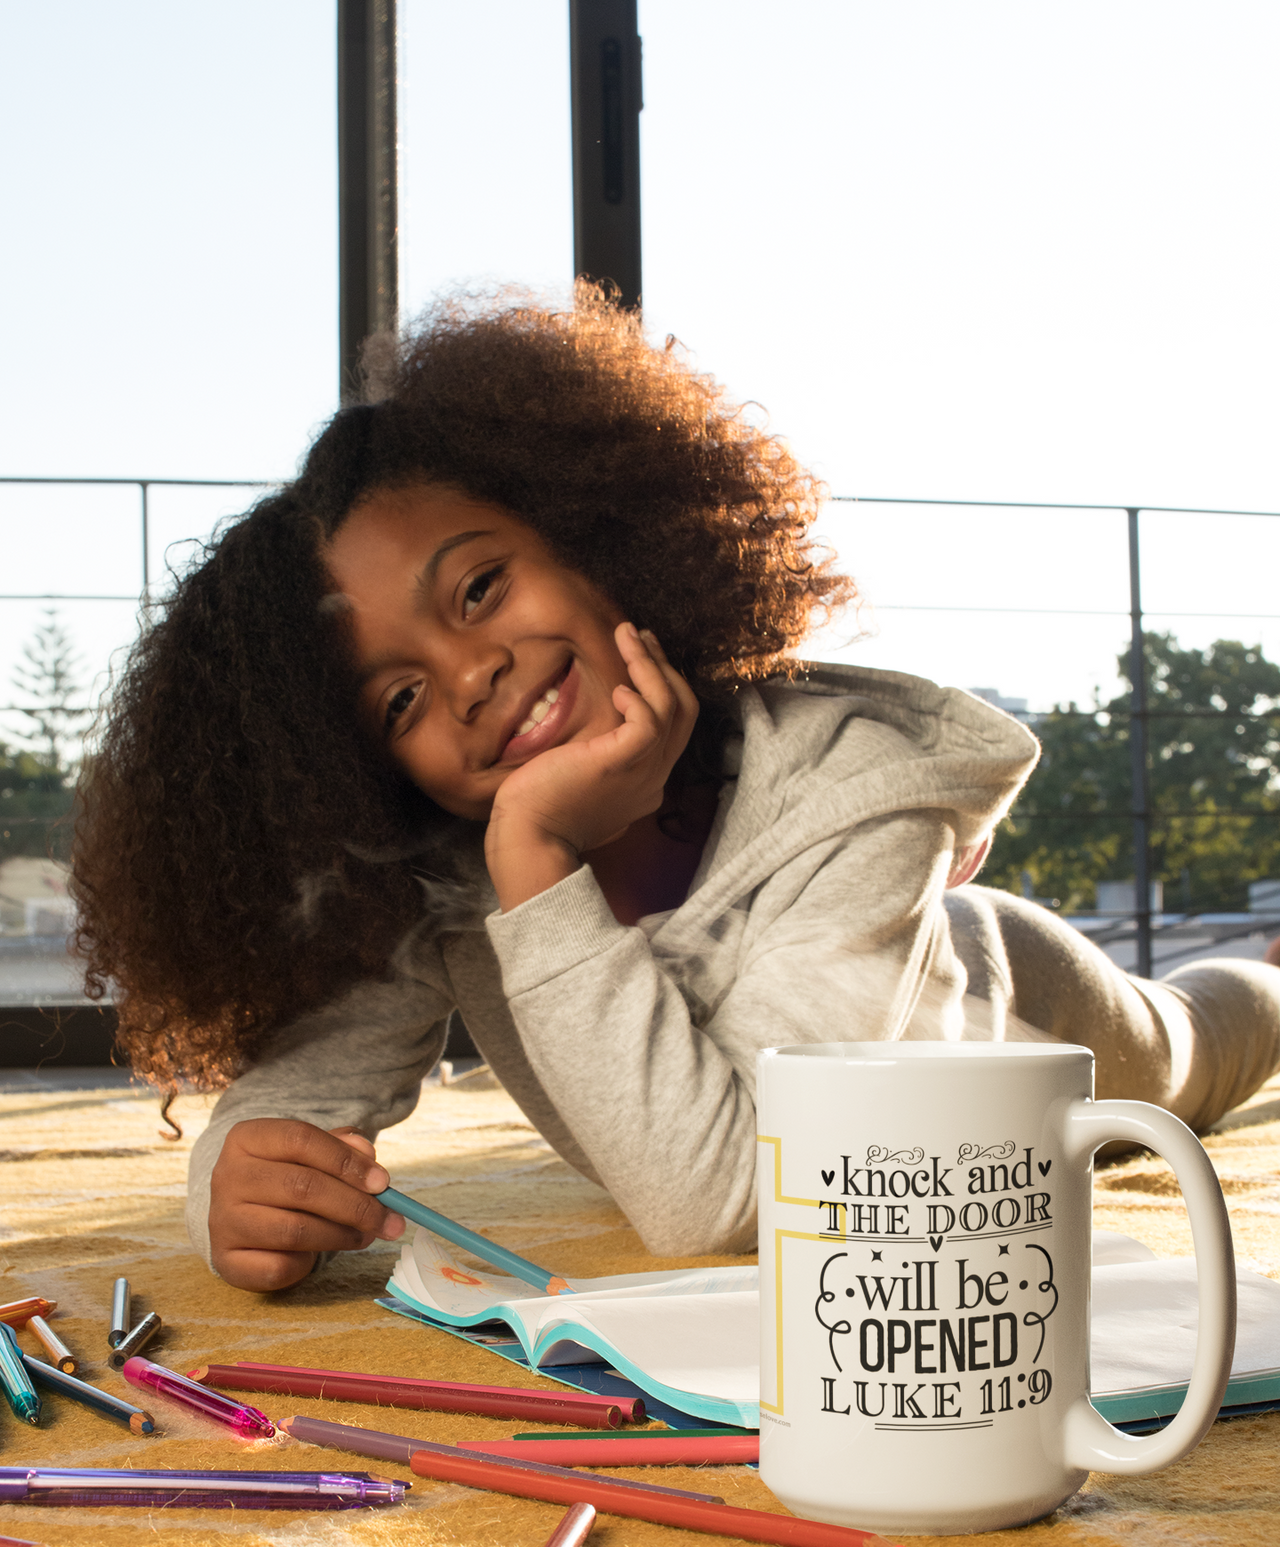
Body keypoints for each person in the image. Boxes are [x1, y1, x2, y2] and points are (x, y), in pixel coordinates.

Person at [72, 290, 1280, 1292]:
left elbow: (727, 1197)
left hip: (1006, 997)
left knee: (1187, 1052)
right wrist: (241, 1181)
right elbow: (288, 1108)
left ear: (591, 534)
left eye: (480, 587)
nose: (472, 674)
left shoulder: (854, 782)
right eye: (397, 700)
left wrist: (538, 858)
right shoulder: (443, 885)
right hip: (810, 1038)